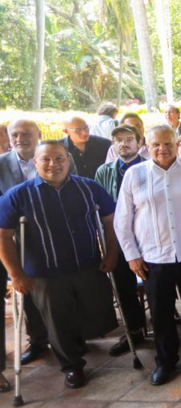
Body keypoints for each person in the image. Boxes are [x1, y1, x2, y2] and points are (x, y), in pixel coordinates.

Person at [0, 141, 117, 390]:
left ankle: (78, 342)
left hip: (87, 265)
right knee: (57, 321)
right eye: (46, 159)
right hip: (45, 273)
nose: (53, 164)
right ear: (35, 162)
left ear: (68, 160)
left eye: (59, 158)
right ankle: (72, 366)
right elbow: (3, 236)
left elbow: (110, 221)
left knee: (92, 313)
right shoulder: (19, 194)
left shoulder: (89, 188)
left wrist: (112, 252)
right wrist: (15, 273)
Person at [114, 125, 181, 386]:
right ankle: (166, 361)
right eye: (156, 144)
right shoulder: (135, 175)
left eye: (168, 143)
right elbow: (122, 220)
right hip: (153, 257)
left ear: (176, 143)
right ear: (146, 146)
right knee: (160, 313)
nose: (162, 149)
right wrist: (132, 255)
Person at [94, 126, 150, 356]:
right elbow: (99, 203)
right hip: (117, 237)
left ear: (139, 142)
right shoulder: (104, 171)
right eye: (119, 140)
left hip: (148, 235)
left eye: (129, 139)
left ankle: (162, 326)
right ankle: (134, 330)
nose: (124, 144)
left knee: (154, 282)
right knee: (124, 286)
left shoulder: (149, 166)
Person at [0, 120, 52, 365]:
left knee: (59, 287)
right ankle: (39, 340)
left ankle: (71, 337)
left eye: (26, 133)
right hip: (16, 237)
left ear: (38, 134)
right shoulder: (1, 164)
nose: (20, 138)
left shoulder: (53, 156)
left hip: (52, 234)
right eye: (15, 134)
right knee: (27, 289)